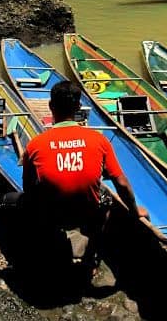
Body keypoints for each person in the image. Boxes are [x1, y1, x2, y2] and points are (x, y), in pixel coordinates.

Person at [21, 80, 148, 272]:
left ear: (50, 106)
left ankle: (45, 243)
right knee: (106, 197)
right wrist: (133, 210)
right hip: (88, 214)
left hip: (52, 216)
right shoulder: (99, 140)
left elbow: (28, 187)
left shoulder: (35, 144)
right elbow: (121, 183)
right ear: (79, 107)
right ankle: (92, 254)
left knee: (21, 200)